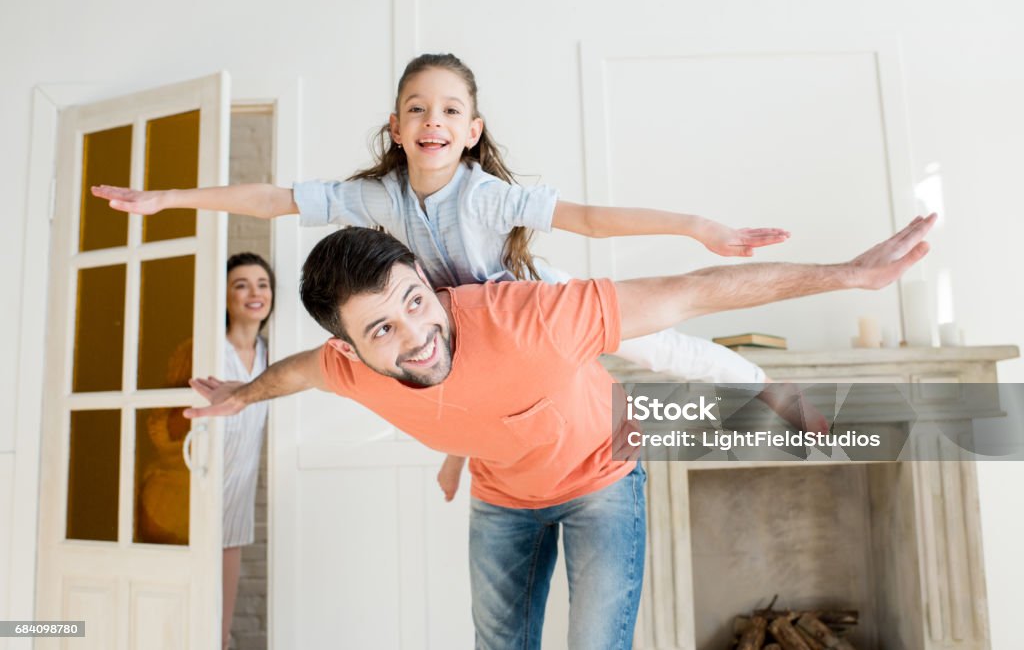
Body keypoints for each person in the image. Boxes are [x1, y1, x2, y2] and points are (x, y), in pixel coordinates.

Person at [183, 215, 934, 649]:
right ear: (348, 349)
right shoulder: (341, 366)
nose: (417, 335)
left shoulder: (529, 317)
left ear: (427, 276)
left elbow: (691, 293)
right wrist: (241, 394)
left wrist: (846, 274)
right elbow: (290, 373)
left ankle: (772, 386)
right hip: (506, 495)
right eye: (383, 327)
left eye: (416, 300)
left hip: (601, 479)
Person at [92, 52, 793, 502]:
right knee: (440, 384)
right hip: (454, 336)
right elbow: (275, 199)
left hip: (529, 309)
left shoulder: (487, 194)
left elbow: (588, 217)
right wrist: (170, 199)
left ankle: (764, 386)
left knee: (656, 347)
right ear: (396, 127)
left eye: (451, 110)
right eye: (419, 109)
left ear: (472, 129)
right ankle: (464, 455)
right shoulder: (374, 197)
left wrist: (698, 225)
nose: (434, 120)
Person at [221, 252, 275, 650]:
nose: (254, 293)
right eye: (241, 285)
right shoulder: (207, 348)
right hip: (197, 489)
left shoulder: (272, 357)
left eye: (262, 284)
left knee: (220, 626)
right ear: (224, 296)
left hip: (238, 494)